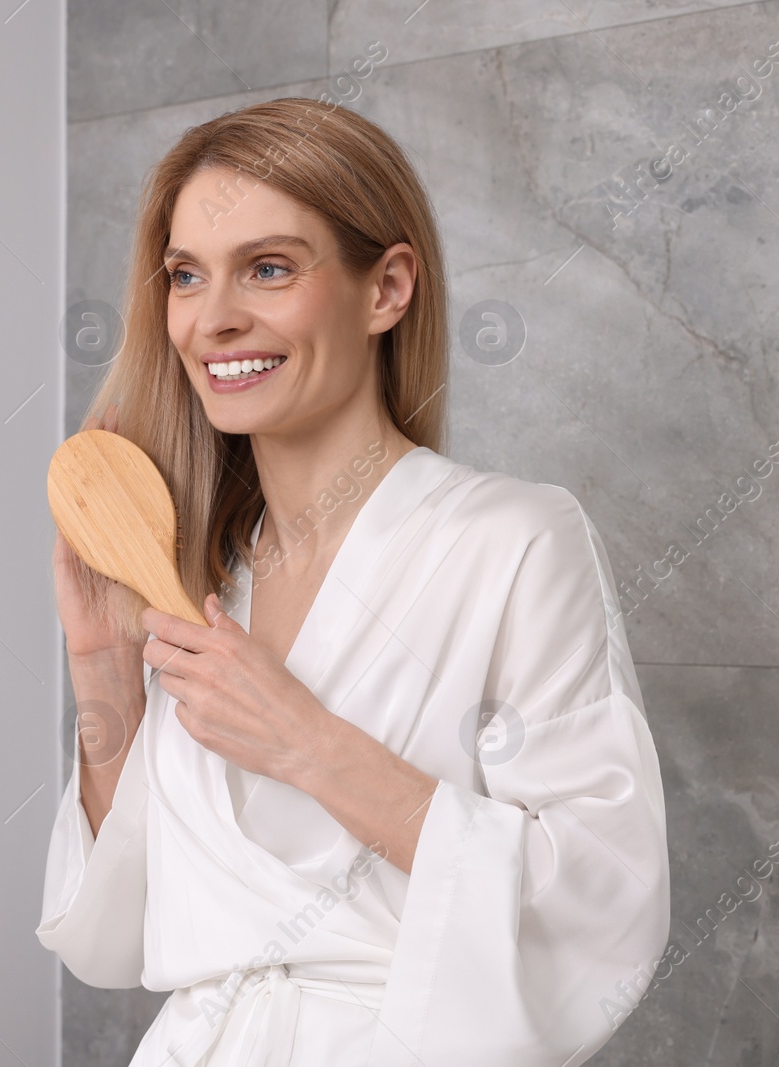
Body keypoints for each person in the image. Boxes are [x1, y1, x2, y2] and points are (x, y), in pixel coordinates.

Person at [37, 96, 670, 1067]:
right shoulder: (206, 580)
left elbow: (600, 901)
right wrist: (103, 672)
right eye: (185, 276)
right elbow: (119, 932)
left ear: (387, 288)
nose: (213, 319)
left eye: (270, 267)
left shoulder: (511, 541)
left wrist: (311, 744)